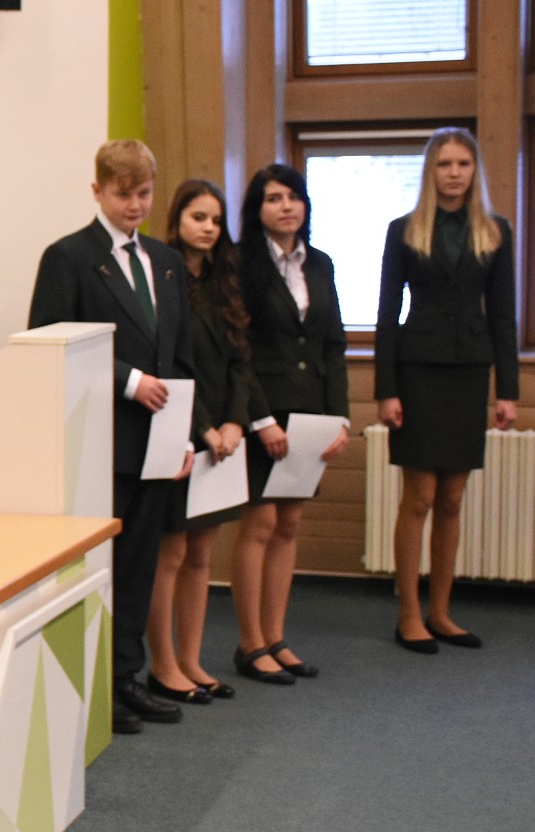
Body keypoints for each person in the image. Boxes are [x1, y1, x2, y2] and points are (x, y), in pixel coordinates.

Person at [27, 140, 196, 735]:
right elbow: (50, 339)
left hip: (157, 438)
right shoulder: (69, 257)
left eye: (144, 193)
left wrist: (185, 433)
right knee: (102, 565)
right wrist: (128, 380)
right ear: (98, 190)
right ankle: (95, 685)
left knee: (141, 565)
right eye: (124, 194)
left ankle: (126, 678)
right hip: (99, 439)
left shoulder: (165, 260)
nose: (135, 205)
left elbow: (180, 352)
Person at [374, 128, 520, 653]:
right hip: (417, 371)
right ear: (430, 171)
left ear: (474, 170)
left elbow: (502, 314)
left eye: (462, 164)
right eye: (444, 164)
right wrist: (386, 388)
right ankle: (409, 615)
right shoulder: (404, 229)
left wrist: (508, 389)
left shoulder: (495, 229)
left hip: (469, 372)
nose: (454, 173)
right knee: (420, 497)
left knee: (453, 499)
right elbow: (387, 313)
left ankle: (440, 612)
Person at [231, 163, 348, 684]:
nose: (287, 207)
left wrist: (338, 417)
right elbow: (238, 351)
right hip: (262, 414)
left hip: (310, 413)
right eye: (274, 198)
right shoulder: (240, 265)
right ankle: (250, 643)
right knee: (258, 525)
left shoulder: (320, 263)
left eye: (294, 197)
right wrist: (260, 420)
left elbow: (333, 345)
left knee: (289, 524)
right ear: (257, 209)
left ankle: (276, 638)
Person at [148, 179, 255, 703]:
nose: (208, 228)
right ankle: (163, 664)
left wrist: (235, 423)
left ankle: (191, 660)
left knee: (202, 555)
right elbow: (170, 364)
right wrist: (204, 428)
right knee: (170, 554)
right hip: (181, 432)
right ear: (177, 220)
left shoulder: (224, 282)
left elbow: (241, 362)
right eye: (198, 217)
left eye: (215, 219)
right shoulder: (163, 276)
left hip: (224, 437)